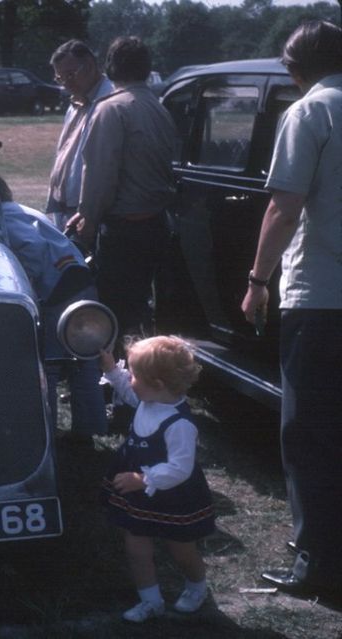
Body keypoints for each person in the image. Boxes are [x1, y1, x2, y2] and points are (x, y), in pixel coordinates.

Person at [240, 20, 342, 601]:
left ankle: (318, 563)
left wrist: (257, 279)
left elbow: (284, 207)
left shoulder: (310, 112)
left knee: (308, 431)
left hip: (323, 296)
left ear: (294, 66)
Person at [69, 36, 176, 349]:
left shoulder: (111, 109)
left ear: (110, 66)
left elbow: (100, 174)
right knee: (140, 309)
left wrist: (87, 219)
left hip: (123, 230)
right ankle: (141, 374)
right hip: (155, 224)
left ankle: (119, 384)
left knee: (113, 311)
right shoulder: (158, 108)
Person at [99, 336, 216, 623]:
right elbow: (128, 391)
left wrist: (143, 478)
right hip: (141, 491)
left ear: (158, 385)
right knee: (136, 546)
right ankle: (151, 601)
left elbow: (179, 468)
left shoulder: (180, 425)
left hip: (173, 496)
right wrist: (112, 369)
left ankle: (196, 586)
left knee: (181, 549)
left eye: (134, 374)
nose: (130, 378)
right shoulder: (148, 399)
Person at [0, 171, 106, 442]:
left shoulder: (3, 218)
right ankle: (91, 428)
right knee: (84, 360)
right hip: (80, 282)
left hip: (57, 294)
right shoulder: (24, 211)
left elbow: (33, 250)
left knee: (50, 363)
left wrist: (24, 288)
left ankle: (45, 434)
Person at [46, 39, 113, 232]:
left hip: (89, 211)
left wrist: (89, 212)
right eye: (60, 78)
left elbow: (104, 164)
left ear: (91, 66)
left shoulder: (109, 101)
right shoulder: (75, 102)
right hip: (65, 205)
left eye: (70, 74)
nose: (66, 83)